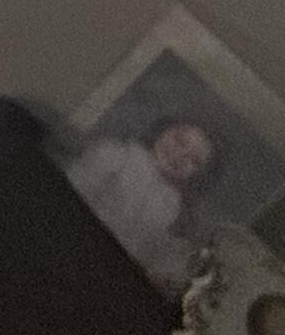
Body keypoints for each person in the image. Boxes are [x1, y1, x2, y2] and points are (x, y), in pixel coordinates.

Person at [67, 117, 221, 290]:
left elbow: (151, 251)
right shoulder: (115, 155)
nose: (179, 156)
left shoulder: (173, 206)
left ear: (198, 174)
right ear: (164, 128)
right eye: (179, 140)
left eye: (194, 160)